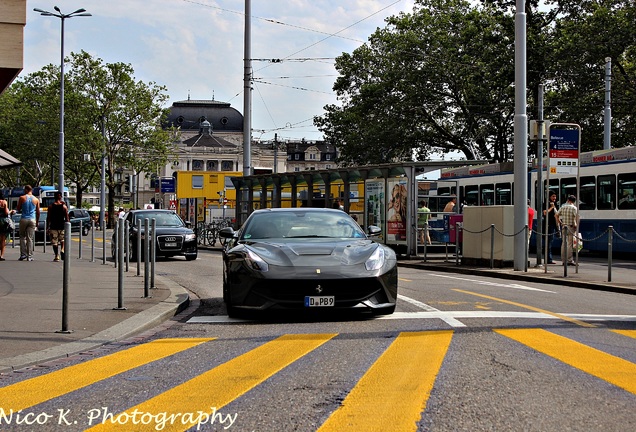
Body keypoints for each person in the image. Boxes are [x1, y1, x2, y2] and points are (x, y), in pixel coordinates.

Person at [16, 185, 40, 261]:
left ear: (26, 190)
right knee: (30, 238)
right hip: (32, 219)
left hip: (24, 218)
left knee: (22, 236)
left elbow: (18, 208)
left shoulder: (22, 198)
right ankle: (29, 256)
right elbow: (38, 212)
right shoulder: (36, 199)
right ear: (31, 190)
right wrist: (37, 222)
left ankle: (23, 254)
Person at [46, 191, 70, 262]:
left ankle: (56, 255)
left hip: (53, 226)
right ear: (61, 197)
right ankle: (62, 249)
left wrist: (48, 227)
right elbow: (67, 217)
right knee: (62, 240)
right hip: (61, 226)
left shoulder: (50, 206)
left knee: (54, 242)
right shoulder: (64, 207)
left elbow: (48, 217)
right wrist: (67, 225)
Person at [556, 195, 579, 266]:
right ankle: (569, 260)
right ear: (573, 201)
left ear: (568, 200)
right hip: (571, 227)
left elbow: (556, 215)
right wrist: (576, 226)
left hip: (564, 226)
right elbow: (576, 217)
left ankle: (563, 260)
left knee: (563, 243)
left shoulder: (562, 207)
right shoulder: (574, 208)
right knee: (570, 244)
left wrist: (560, 222)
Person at [543, 191, 559, 264]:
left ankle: (549, 258)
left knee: (551, 241)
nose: (554, 198)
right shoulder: (546, 204)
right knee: (549, 242)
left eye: (555, 196)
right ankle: (549, 259)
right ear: (549, 197)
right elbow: (545, 213)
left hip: (554, 224)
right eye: (553, 196)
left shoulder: (555, 204)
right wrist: (551, 207)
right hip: (548, 224)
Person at [0, 191, 16, 261]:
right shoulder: (4, 202)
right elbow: (6, 212)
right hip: (3, 221)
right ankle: (2, 255)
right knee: (3, 239)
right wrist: (11, 211)